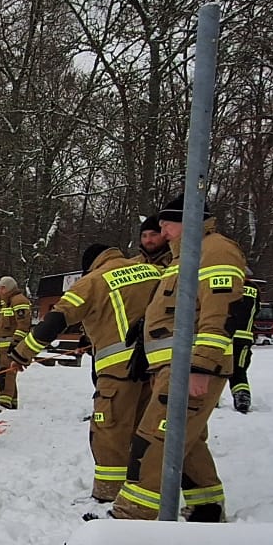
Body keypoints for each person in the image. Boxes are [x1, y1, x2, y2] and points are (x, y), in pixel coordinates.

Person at [112, 196, 250, 521]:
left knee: (153, 441)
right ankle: (207, 508)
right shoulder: (183, 258)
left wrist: (201, 366)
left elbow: (221, 312)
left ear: (187, 221)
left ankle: (133, 517)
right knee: (186, 442)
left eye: (167, 225)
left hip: (191, 369)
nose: (163, 232)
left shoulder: (214, 250)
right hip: (171, 368)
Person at [13, 240, 164, 501]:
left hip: (119, 371)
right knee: (144, 431)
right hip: (157, 367)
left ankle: (108, 496)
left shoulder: (94, 281)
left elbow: (57, 319)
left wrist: (22, 353)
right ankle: (141, 493)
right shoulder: (152, 270)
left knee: (110, 432)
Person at [0, 276, 30, 412]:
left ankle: (4, 403)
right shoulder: (6, 302)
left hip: (12, 346)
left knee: (7, 374)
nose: (0, 291)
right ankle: (12, 402)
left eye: (3, 288)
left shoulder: (19, 301)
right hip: (2, 347)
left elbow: (23, 325)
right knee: (6, 373)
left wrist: (16, 343)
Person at [229, 277, 260, 413]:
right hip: (244, 339)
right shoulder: (254, 289)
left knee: (213, 368)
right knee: (239, 370)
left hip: (222, 335)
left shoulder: (228, 283)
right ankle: (242, 397)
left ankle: (211, 399)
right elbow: (256, 310)